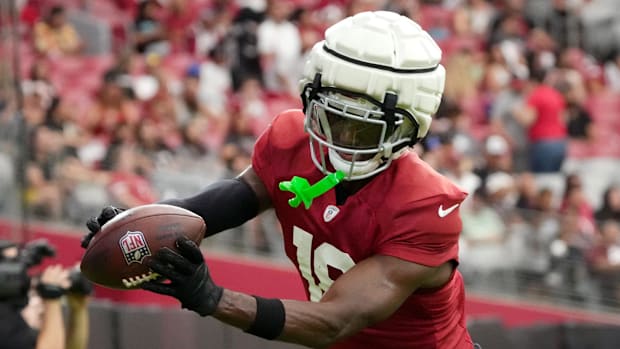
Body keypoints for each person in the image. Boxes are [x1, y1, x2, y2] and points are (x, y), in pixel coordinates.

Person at [84, 11, 474, 348]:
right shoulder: (292, 139)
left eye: (364, 129)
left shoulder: (425, 207)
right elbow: (242, 194)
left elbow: (337, 320)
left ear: (410, 127)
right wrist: (140, 222)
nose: (343, 140)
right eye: (332, 118)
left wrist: (213, 298)